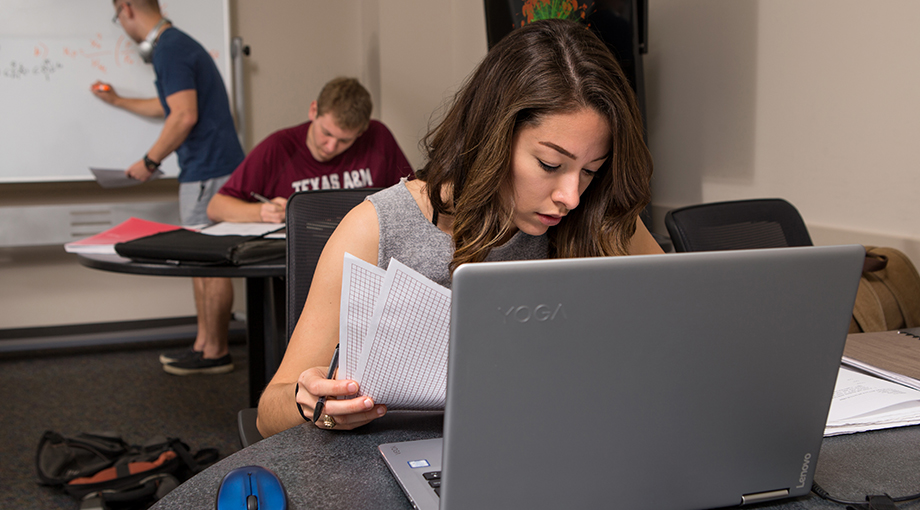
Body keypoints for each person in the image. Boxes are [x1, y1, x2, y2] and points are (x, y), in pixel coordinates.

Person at [256, 18, 663, 438]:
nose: (571, 196)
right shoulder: (378, 226)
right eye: (550, 165)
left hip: (557, 442)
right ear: (492, 137)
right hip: (402, 456)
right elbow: (269, 415)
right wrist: (315, 403)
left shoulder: (599, 216)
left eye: (591, 171)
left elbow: (680, 337)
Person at [92, 0, 245, 376]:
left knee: (209, 264)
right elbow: (170, 106)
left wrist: (149, 161)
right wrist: (117, 100)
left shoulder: (170, 49)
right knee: (198, 263)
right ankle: (204, 345)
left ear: (126, 8)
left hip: (210, 171)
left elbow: (184, 115)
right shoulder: (176, 45)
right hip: (206, 169)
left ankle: (215, 352)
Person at [205, 77, 413, 224]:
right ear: (313, 111)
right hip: (301, 259)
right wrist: (261, 212)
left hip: (363, 253)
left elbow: (413, 197)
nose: (331, 147)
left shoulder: (377, 137)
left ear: (360, 132)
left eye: (344, 141)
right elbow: (216, 207)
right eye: (326, 133)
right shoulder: (279, 147)